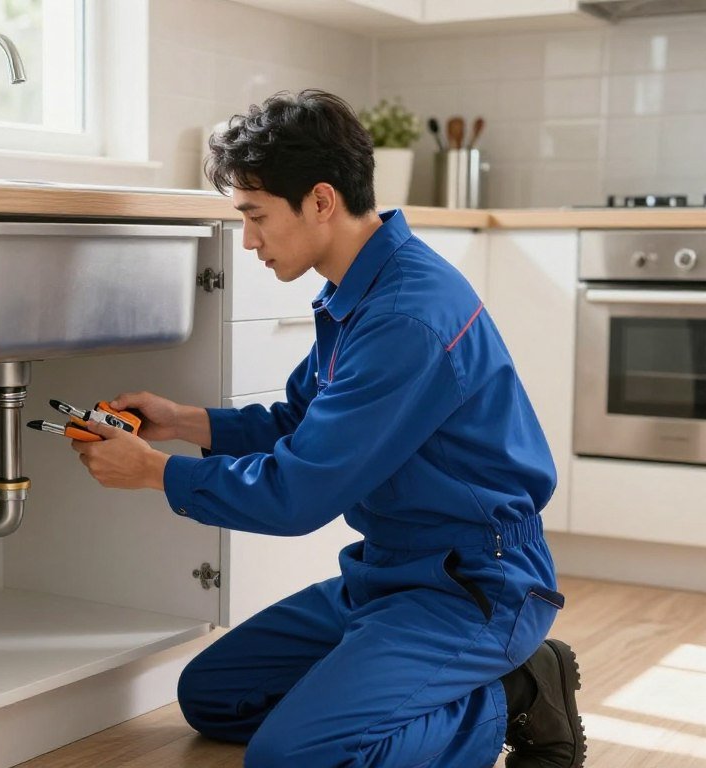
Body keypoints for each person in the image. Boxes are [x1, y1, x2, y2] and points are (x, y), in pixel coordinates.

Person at [71, 89, 587, 768]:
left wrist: (155, 472)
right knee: (214, 696)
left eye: (256, 217)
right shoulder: (361, 288)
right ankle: (405, 682)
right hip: (390, 572)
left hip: (473, 586)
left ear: (319, 201)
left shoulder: (407, 315)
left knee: (292, 759)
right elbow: (301, 424)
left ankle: (515, 694)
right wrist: (182, 422)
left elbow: (298, 495)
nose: (248, 239)